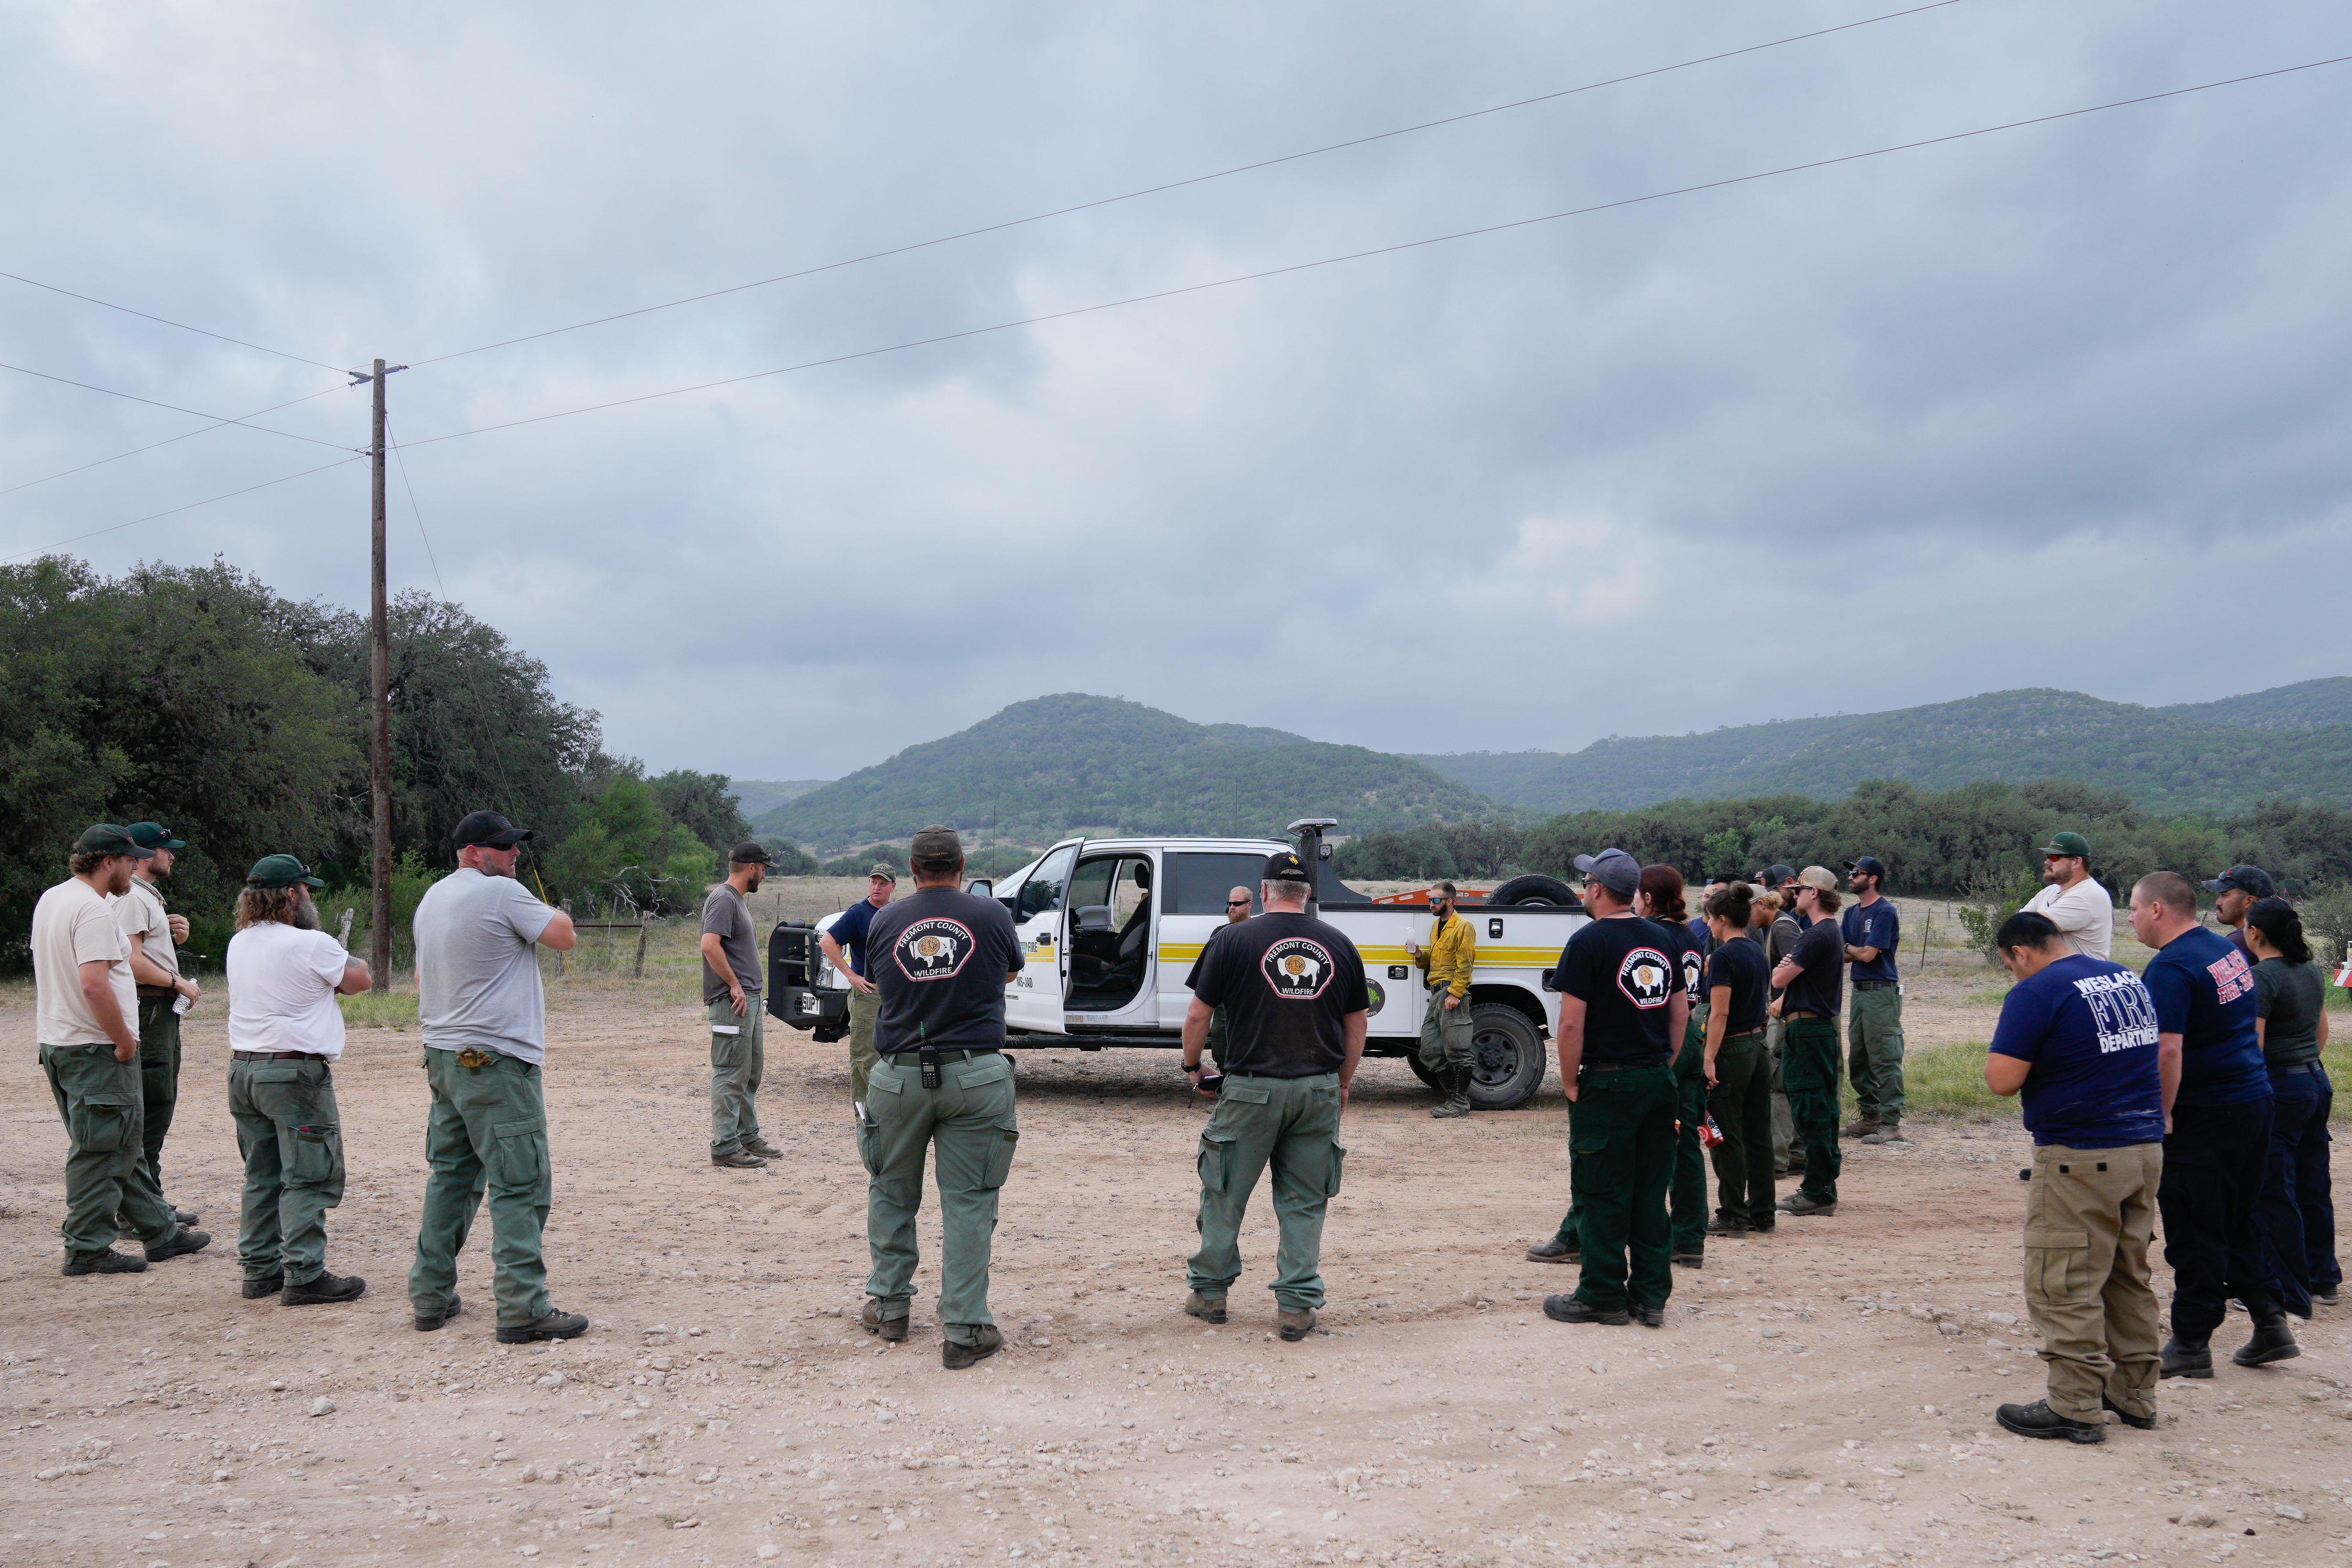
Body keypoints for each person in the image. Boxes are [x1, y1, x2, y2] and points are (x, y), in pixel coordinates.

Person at [1980, 910, 2168, 1443]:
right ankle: (2134, 1395)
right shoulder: (2123, 975)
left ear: (2020, 952)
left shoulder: (2036, 991)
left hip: (2081, 1155)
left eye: (2010, 965)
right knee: (2126, 1275)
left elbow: (2002, 1079)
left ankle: (2075, 1403)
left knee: (2063, 1280)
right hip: (2143, 1146)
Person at [408, 809, 586, 1344]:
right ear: (472, 853)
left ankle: (429, 1295)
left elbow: (420, 972)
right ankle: (522, 1306)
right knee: (521, 1182)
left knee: (451, 1179)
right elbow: (565, 937)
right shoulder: (500, 894)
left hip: (443, 1055)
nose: (513, 856)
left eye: (514, 847)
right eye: (503, 848)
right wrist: (541, 901)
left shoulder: (432, 897)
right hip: (496, 1060)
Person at [1180, 850, 1367, 1341]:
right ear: (1306, 895)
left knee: (1223, 1193)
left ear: (1263, 893)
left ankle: (1210, 1295)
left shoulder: (1232, 939)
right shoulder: (1340, 943)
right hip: (1317, 1088)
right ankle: (1297, 1306)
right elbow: (1357, 1024)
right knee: (1304, 1201)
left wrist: (1193, 1066)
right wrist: (1343, 1082)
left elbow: (1199, 1015)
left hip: (1249, 1090)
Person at [860, 826, 1026, 1368]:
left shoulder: (885, 919)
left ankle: (888, 1308)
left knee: (891, 1193)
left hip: (900, 1074)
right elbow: (1006, 971)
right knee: (970, 1203)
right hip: (975, 1073)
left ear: (912, 870)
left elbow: (882, 982)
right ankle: (965, 1327)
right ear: (961, 866)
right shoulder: (992, 916)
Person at [2129, 871, 2291, 1376]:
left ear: (2157, 910)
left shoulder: (2171, 967)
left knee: (2196, 1227)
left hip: (2205, 1113)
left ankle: (2192, 1342)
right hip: (2252, 1100)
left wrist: (2162, 1114)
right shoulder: (2224, 951)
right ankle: (2270, 1322)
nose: (2130, 918)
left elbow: (2167, 1049)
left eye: (2133, 908)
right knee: (2240, 1217)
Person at [32, 825, 210, 1275]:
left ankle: (161, 1232)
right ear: (108, 861)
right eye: (130, 859)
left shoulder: (53, 898)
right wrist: (125, 1041)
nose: (136, 865)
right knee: (99, 1149)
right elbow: (93, 983)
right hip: (94, 1047)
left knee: (119, 1143)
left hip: (60, 1041)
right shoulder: (92, 910)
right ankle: (87, 1247)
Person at [1542, 848, 1685, 1328]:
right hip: (1656, 1080)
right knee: (1650, 1191)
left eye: (1586, 884)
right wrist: (1665, 1061)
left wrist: (1568, 1081)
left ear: (1598, 889)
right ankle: (1650, 1297)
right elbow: (1679, 1011)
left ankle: (1602, 1294)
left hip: (1608, 1080)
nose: (1585, 891)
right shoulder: (1663, 938)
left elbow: (1570, 1025)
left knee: (1602, 1189)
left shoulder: (1589, 942)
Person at [225, 855, 373, 1304]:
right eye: (306, 889)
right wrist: (348, 958)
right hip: (294, 1072)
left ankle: (259, 1269)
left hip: (244, 1069)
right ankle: (305, 1273)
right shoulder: (311, 943)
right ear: (291, 894)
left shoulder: (240, 942)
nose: (310, 897)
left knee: (262, 1173)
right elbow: (361, 980)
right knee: (309, 1173)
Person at [2245, 897, 2338, 1315]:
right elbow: (2322, 1031)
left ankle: (2288, 1288)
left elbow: (2256, 1045)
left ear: (2255, 933)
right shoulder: (2309, 970)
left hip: (2283, 1085)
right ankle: (2323, 1278)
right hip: (2316, 1080)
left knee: (2275, 1189)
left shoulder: (2263, 977)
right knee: (2313, 1184)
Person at [113, 821, 202, 1226]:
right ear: (146, 855)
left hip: (157, 1010)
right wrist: (177, 980)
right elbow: (130, 960)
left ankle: (150, 1203)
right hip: (150, 1009)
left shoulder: (143, 897)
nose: (172, 855)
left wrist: (171, 937)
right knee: (150, 1105)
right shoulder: (133, 895)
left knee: (158, 1104)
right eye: (166, 849)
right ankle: (140, 1213)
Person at [1638, 865, 1709, 1268]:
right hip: (1694, 1038)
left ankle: (1658, 1235)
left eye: (1638, 894)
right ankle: (1690, 1237)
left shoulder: (1656, 935)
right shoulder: (1691, 934)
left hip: (1668, 1039)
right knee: (1688, 1144)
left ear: (1649, 898)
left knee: (1653, 1142)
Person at [1770, 867, 1846, 1217]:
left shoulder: (1815, 935)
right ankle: (1824, 1183)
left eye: (1800, 889)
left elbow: (1781, 976)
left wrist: (1783, 968)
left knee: (1810, 1106)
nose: (1794, 894)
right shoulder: (1828, 932)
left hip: (1808, 1029)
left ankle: (1816, 1189)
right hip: (1818, 1029)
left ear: (1814, 893)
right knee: (1823, 1107)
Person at [1701, 882, 1774, 1238]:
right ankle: (1763, 1212)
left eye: (1711, 917)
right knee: (1757, 1133)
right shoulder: (1757, 951)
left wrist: (1709, 1057)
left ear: (1723, 919)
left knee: (1723, 1134)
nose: (1708, 923)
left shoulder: (1725, 957)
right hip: (1758, 1046)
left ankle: (1733, 1213)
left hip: (1732, 1050)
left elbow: (1719, 1013)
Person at [704, 841, 780, 1170]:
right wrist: (734, 984)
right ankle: (724, 1146)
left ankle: (747, 1136)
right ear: (751, 867)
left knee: (750, 1071)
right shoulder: (723, 899)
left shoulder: (736, 901)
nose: (764, 875)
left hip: (747, 1000)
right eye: (763, 869)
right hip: (732, 1000)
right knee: (731, 1072)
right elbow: (709, 945)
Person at [1839, 855, 1906, 1145]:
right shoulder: (1851, 913)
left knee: (1885, 1056)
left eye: (1857, 873)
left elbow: (1867, 955)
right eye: (1851, 873)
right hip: (1860, 991)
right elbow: (1841, 955)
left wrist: (1852, 948)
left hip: (1882, 990)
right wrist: (1855, 949)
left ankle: (1891, 1124)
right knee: (1859, 1057)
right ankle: (1870, 1118)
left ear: (1873, 879)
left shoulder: (1884, 911)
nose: (1851, 877)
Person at [820, 864, 897, 1107]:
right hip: (867, 994)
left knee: (896, 1052)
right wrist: (851, 975)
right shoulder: (858, 914)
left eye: (883, 883)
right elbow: (827, 942)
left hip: (895, 994)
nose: (877, 887)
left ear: (893, 887)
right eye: (874, 882)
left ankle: (889, 1109)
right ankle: (866, 1115)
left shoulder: (897, 913)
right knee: (865, 1057)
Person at [1406, 880, 1476, 1119]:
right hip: (1436, 994)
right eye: (1429, 900)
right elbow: (1435, 962)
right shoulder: (1438, 927)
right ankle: (1456, 1098)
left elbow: (1466, 965)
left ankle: (1459, 1102)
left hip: (1450, 994)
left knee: (1458, 1051)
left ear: (1450, 901)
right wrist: (1418, 955)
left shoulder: (1463, 927)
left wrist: (1456, 993)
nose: (1431, 904)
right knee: (1428, 1051)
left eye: (1435, 900)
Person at [1761, 866, 1806, 1177]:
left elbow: (1803, 967)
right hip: (1782, 1011)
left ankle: (1780, 1160)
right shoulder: (1776, 926)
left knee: (1778, 1082)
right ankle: (1795, 1155)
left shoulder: (1783, 927)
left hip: (1786, 1014)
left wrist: (1781, 999)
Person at [2021, 832, 2113, 960]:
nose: (2047, 862)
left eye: (2053, 857)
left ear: (2076, 862)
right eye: (2047, 856)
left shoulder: (2088, 894)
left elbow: (2032, 928)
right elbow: (2016, 925)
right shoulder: (2050, 891)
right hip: (2058, 977)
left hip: (2082, 978)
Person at [1202, 884, 1255, 1070]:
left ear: (1249, 905)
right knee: (1221, 1048)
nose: (1232, 907)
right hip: (1224, 1004)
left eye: (1237, 904)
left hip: (1251, 1003)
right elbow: (1208, 972)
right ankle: (1226, 1085)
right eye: (1230, 903)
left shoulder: (1259, 933)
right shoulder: (1220, 933)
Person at [2203, 866, 2275, 963]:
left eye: (2224, 895)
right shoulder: (2273, 934)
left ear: (2249, 902)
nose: (2218, 902)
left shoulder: (2238, 943)